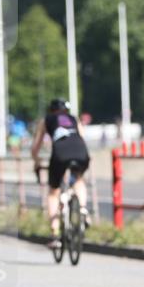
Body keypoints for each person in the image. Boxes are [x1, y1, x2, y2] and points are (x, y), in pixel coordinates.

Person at [31, 98, 90, 247]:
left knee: (53, 192)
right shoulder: (74, 119)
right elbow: (83, 137)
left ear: (51, 109)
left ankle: (55, 234)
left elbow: (36, 146)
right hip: (80, 150)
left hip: (60, 153)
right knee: (78, 179)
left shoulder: (47, 120)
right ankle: (83, 209)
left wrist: (37, 161)